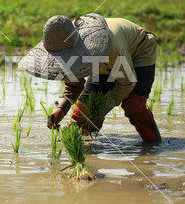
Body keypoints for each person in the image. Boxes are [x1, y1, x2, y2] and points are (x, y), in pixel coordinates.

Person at [18, 13, 161, 142]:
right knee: (82, 114)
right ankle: (84, 151)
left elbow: (127, 82)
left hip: (138, 51)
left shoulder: (104, 45)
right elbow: (74, 80)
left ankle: (153, 147)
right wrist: (63, 108)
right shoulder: (67, 45)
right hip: (104, 61)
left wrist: (101, 112)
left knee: (133, 104)